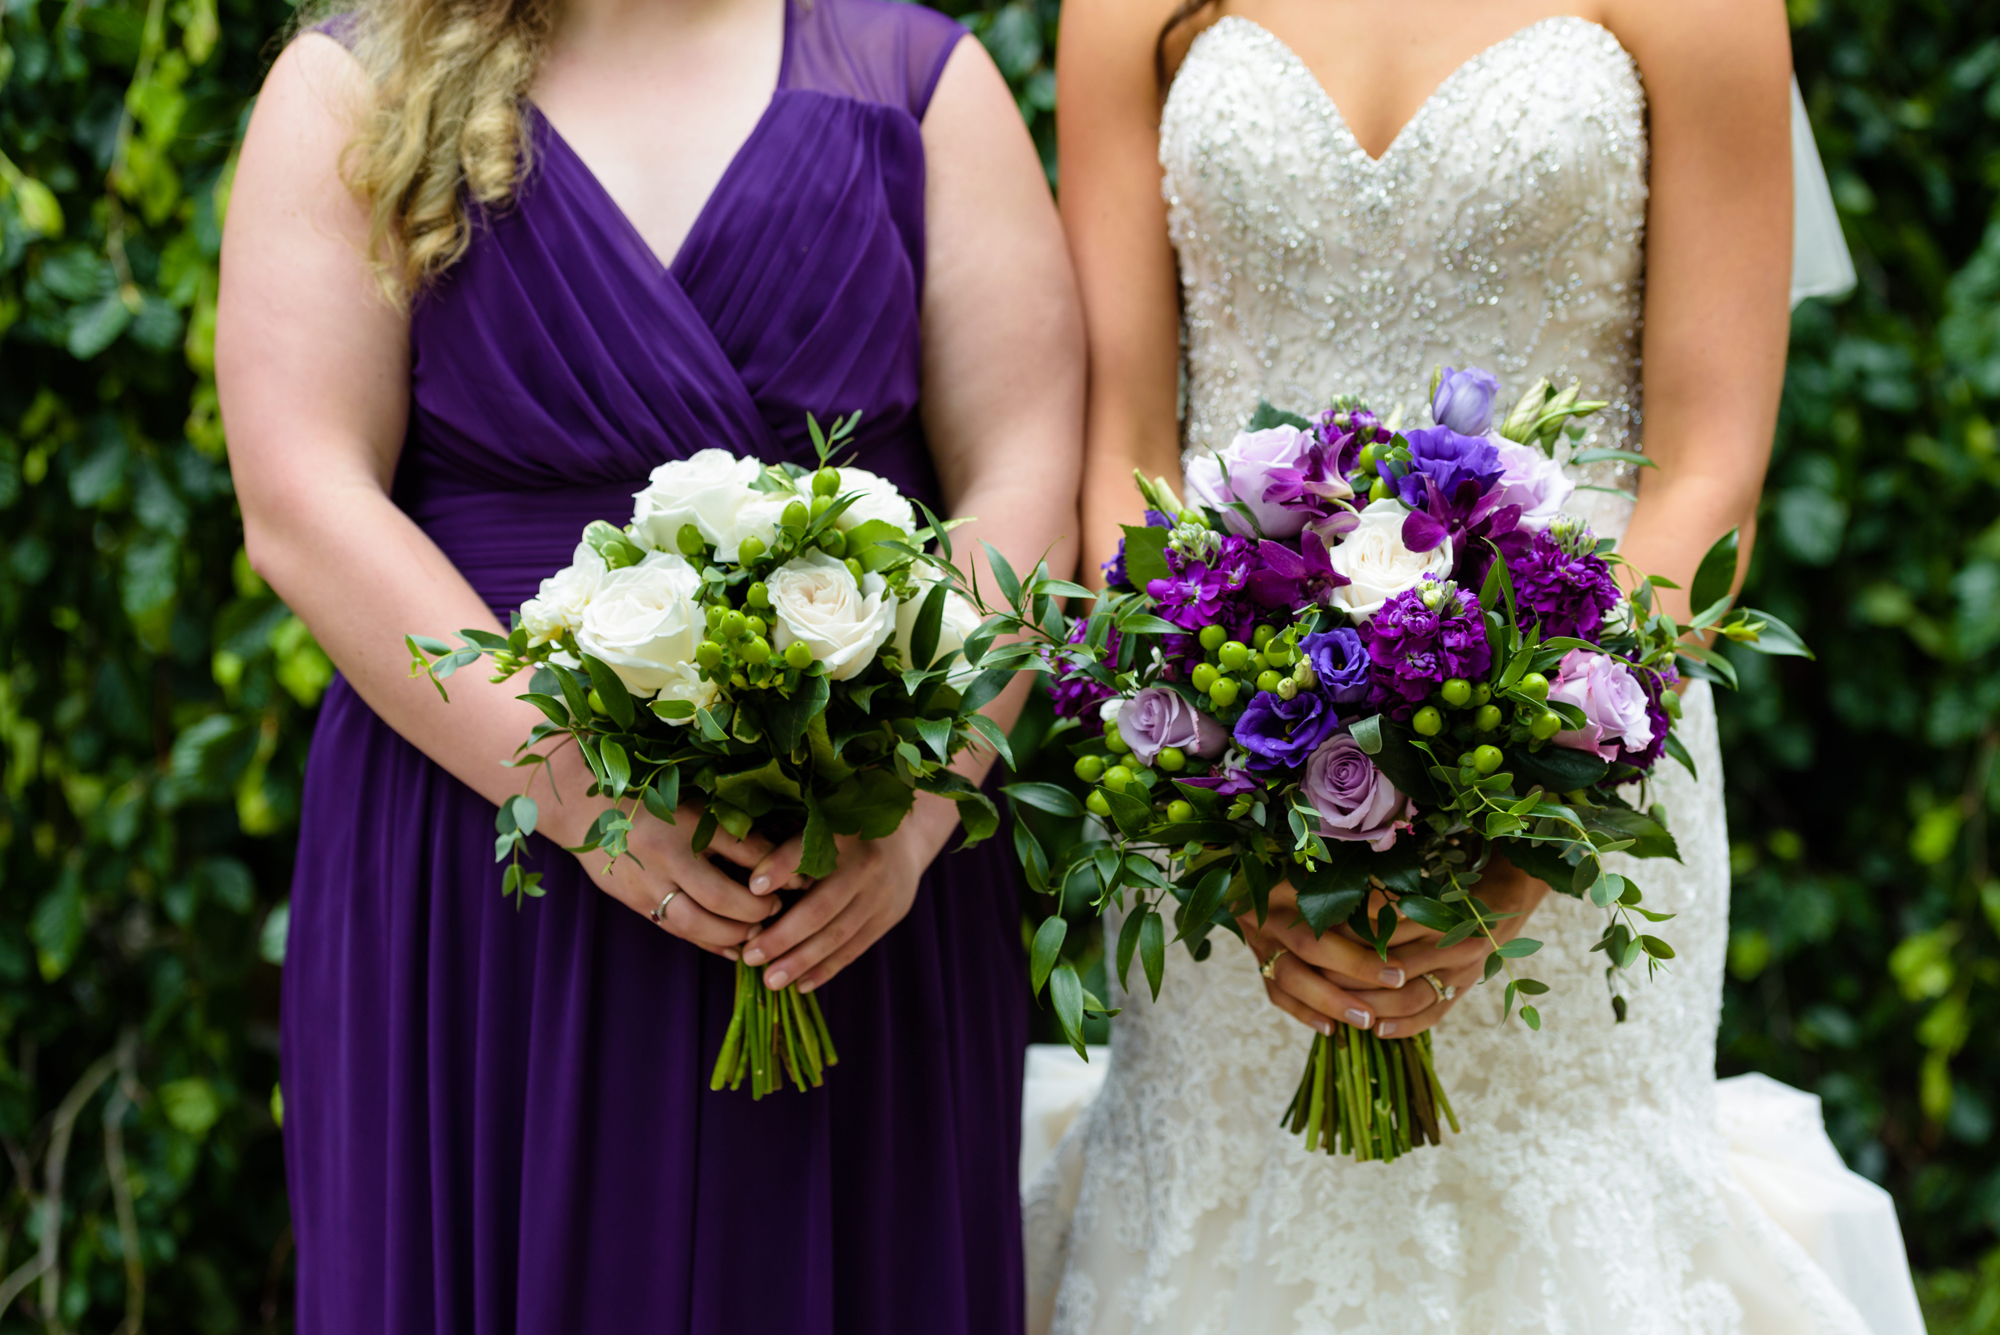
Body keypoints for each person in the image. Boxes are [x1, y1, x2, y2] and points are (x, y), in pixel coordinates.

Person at [1026, 0, 1926, 1330]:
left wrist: (1542, 805)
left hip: (1578, 744)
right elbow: (1124, 447)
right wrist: (1224, 797)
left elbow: (1710, 468)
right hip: (1220, 757)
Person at [215, 0, 1083, 1324]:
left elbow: (1025, 467)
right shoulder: (353, 87)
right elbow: (301, 496)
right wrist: (571, 785)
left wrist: (915, 802)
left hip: (852, 872)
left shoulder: (917, 79)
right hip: (486, 864)